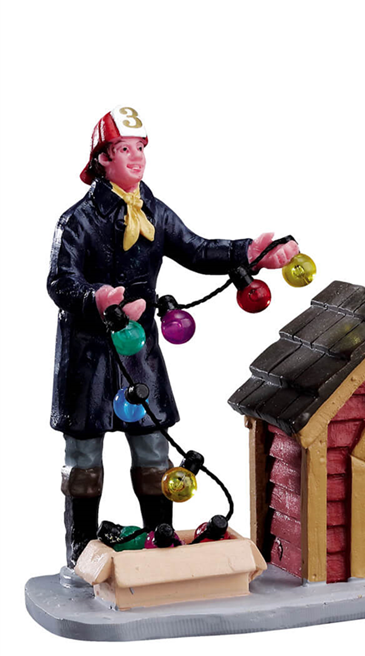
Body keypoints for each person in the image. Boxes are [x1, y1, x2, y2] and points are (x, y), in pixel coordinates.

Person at [47, 105, 298, 571]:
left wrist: (249, 253)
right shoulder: (76, 221)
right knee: (83, 458)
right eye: (125, 149)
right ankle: (80, 553)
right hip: (87, 357)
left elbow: (197, 250)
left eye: (141, 148)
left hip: (138, 354)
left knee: (153, 450)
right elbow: (60, 282)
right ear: (103, 159)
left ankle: (159, 542)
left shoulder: (154, 213)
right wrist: (96, 298)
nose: (137, 157)